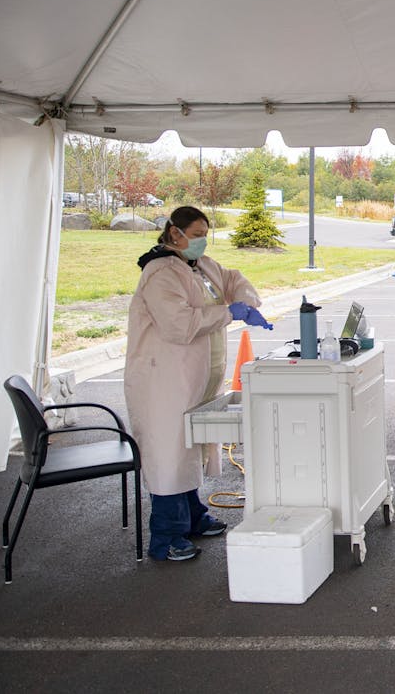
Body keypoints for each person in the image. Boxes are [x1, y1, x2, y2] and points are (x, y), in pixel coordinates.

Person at [123, 206, 272, 562]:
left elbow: (232, 279)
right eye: (197, 233)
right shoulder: (160, 273)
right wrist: (228, 312)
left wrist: (243, 302)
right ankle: (165, 537)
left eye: (206, 233)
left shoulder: (199, 266)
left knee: (191, 449)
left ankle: (192, 516)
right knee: (169, 453)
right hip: (164, 380)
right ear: (175, 233)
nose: (203, 241)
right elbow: (178, 324)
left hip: (198, 377)